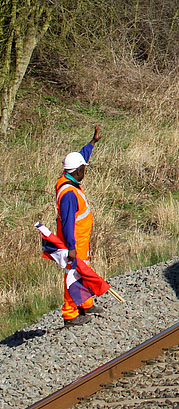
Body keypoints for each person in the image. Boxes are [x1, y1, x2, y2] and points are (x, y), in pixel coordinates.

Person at [56, 125, 101, 326]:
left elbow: (81, 156)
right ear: (78, 171)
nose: (85, 171)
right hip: (74, 242)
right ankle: (70, 314)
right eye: (84, 169)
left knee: (84, 271)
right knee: (73, 275)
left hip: (81, 241)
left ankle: (85, 303)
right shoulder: (68, 194)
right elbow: (67, 223)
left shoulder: (68, 179)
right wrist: (71, 247)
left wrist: (92, 143)